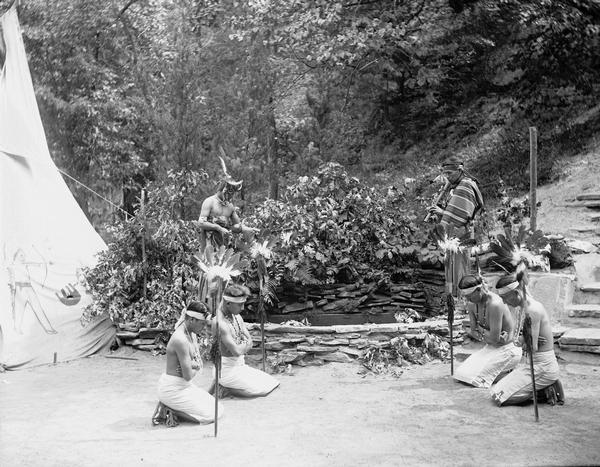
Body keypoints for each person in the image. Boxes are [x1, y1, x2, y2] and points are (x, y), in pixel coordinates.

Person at [490, 272, 563, 406]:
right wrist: (524, 340)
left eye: (505, 297)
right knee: (496, 391)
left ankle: (545, 389)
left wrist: (526, 343)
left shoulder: (532, 310)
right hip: (530, 363)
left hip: (543, 366)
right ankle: (541, 387)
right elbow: (520, 339)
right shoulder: (521, 307)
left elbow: (533, 348)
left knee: (501, 398)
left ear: (516, 292)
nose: (504, 302)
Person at [153, 301, 222, 426]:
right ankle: (172, 410)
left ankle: (175, 407)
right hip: (172, 389)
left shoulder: (192, 334)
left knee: (219, 408)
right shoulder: (180, 339)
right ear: (191, 319)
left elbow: (194, 363)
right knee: (211, 416)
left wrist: (193, 364)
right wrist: (195, 365)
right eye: (202, 324)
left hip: (184, 387)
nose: (204, 328)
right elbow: (188, 375)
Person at [428, 155, 484, 297]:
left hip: (461, 233)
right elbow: (451, 211)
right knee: (450, 266)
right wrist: (438, 215)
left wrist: (442, 212)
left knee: (460, 266)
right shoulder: (455, 187)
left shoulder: (466, 185)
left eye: (450, 173)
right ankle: (452, 298)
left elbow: (463, 214)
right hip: (453, 234)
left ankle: (464, 298)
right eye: (445, 174)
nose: (447, 177)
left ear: (460, 170)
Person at [453, 274, 522, 388]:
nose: (467, 300)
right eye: (466, 297)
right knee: (461, 374)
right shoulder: (471, 304)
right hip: (490, 348)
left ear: (479, 290)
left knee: (475, 379)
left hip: (508, 350)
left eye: (469, 296)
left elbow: (484, 335)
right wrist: (486, 335)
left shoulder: (495, 304)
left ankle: (511, 373)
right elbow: (475, 333)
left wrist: (480, 330)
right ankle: (500, 373)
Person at [211, 284, 279, 397]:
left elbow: (250, 342)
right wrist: (244, 345)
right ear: (228, 303)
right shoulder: (219, 323)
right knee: (259, 392)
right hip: (226, 371)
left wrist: (242, 346)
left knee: (271, 383)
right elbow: (236, 352)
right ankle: (225, 388)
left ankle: (223, 386)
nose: (243, 308)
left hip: (240, 367)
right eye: (240, 305)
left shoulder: (237, 317)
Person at [196, 156, 258, 249]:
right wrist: (218, 228)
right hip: (208, 247)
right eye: (229, 192)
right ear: (223, 189)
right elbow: (201, 223)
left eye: (232, 193)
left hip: (224, 246)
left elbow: (237, 226)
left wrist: (248, 229)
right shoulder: (209, 201)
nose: (231, 196)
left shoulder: (230, 207)